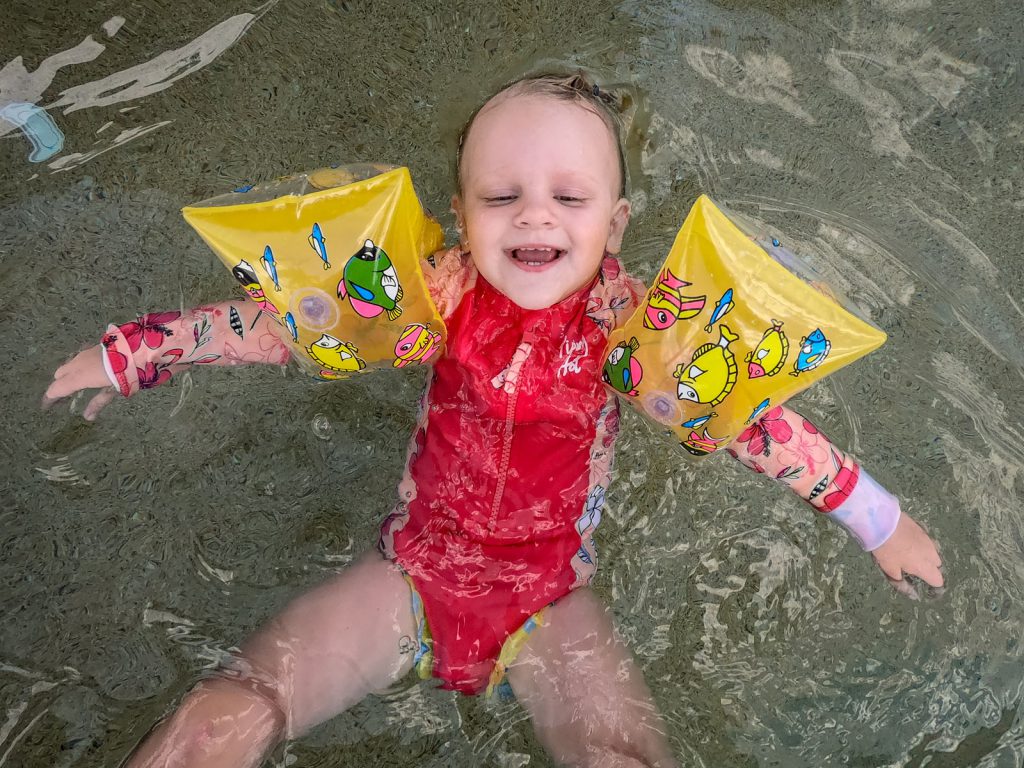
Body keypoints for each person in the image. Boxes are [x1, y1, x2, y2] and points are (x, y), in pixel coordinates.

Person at [43, 72, 943, 768]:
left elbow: (753, 424)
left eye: (569, 197)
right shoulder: (431, 298)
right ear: (462, 219)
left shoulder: (637, 332)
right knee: (215, 722)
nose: (535, 213)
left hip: (550, 598)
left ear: (617, 224)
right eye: (501, 196)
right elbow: (280, 326)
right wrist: (131, 355)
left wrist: (880, 521)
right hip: (409, 573)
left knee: (620, 761)